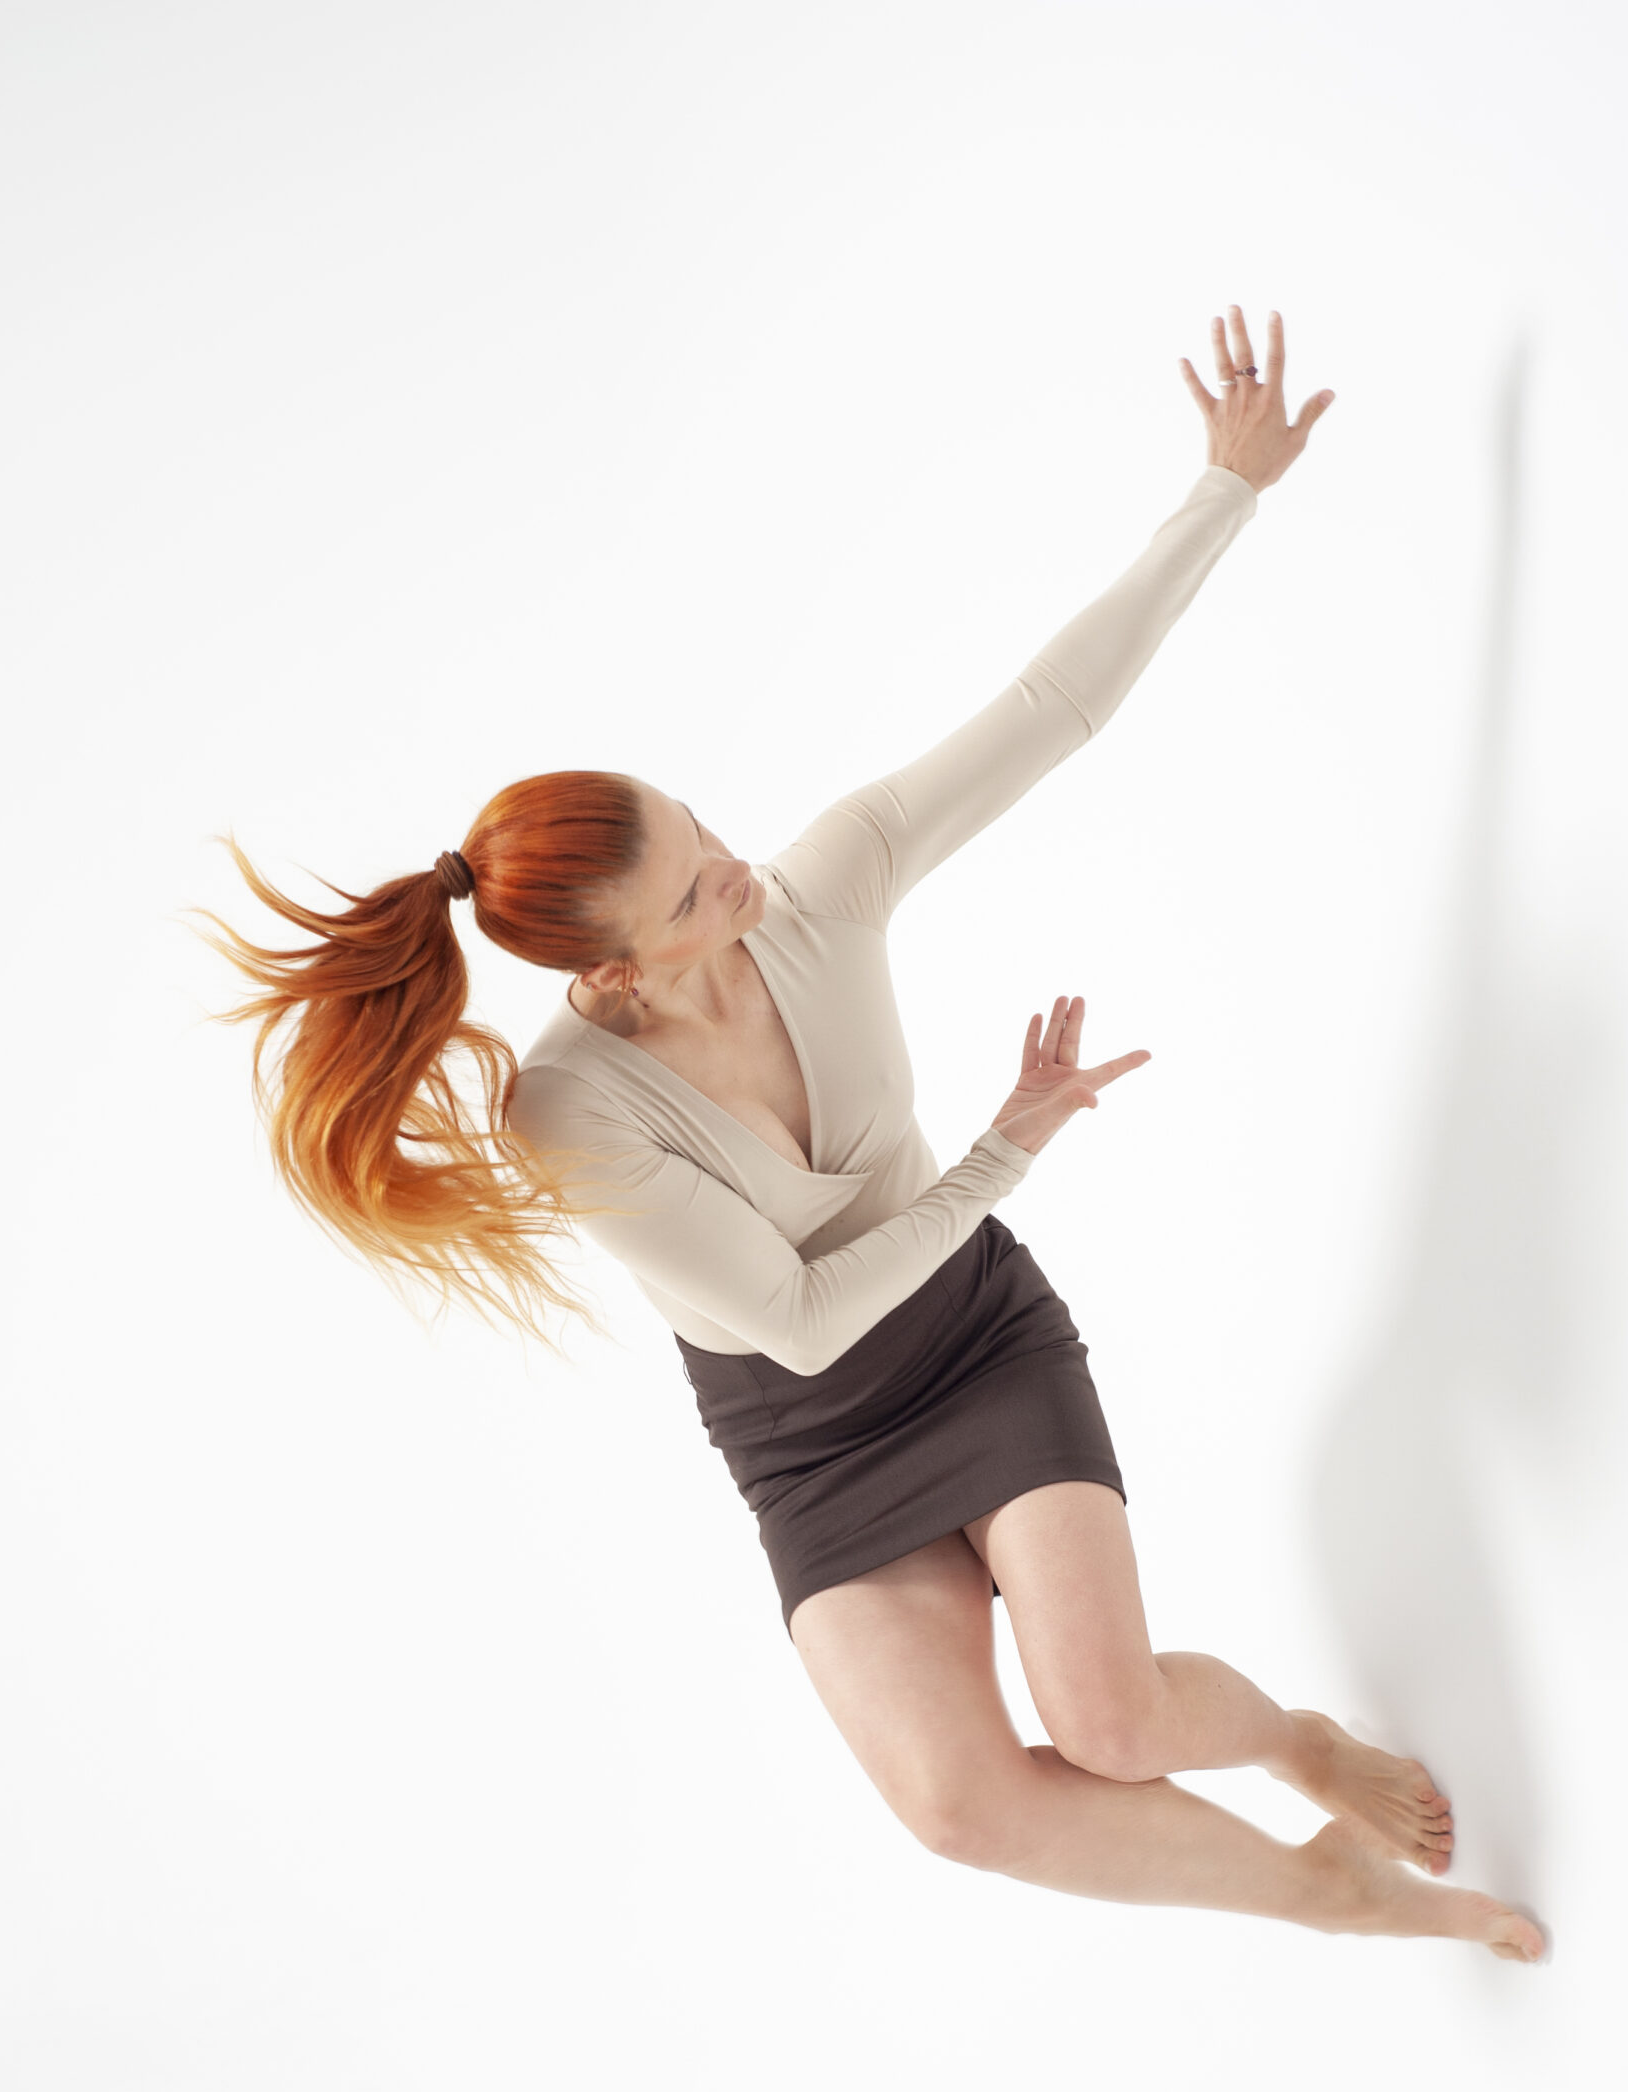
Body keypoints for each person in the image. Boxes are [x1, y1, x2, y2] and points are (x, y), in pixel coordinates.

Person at [200, 307, 1543, 1963]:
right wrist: (1002, 1152)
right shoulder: (572, 1111)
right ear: (614, 972)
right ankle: (1326, 1888)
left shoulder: (819, 887)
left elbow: (1050, 707)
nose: (738, 870)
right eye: (697, 890)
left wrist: (1224, 491)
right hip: (813, 1432)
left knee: (1110, 1723)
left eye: (702, 826)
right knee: (959, 1807)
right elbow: (798, 1318)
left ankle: (1298, 1747)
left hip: (971, 1337)